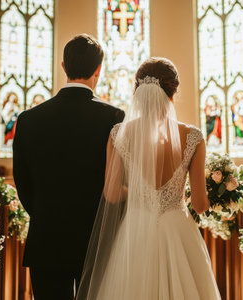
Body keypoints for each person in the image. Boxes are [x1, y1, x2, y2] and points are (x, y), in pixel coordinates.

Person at [77, 57, 221, 299]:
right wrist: (216, 195)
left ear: (138, 91)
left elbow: (111, 194)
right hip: (178, 230)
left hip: (136, 231)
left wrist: (140, 192)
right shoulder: (194, 136)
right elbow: (199, 204)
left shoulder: (118, 134)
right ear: (173, 92)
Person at [13, 34, 125, 299]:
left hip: (47, 239)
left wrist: (45, 213)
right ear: (99, 69)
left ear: (63, 66)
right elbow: (117, 179)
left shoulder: (28, 119)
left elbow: (23, 183)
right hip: (97, 241)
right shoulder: (113, 117)